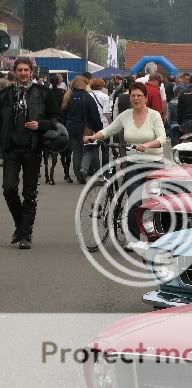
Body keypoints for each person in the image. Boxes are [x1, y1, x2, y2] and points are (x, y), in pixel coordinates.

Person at [83, 82, 166, 245]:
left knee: (154, 202)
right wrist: (93, 137)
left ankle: (155, 237)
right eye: (132, 96)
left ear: (146, 98)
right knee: (134, 200)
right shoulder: (125, 115)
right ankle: (134, 239)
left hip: (154, 163)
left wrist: (147, 145)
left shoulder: (154, 115)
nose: (135, 99)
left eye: (139, 96)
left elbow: (162, 138)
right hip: (133, 163)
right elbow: (109, 130)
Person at [0, 57, 61, 249]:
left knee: (29, 193)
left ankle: (26, 234)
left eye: (26, 70)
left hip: (33, 149)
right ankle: (21, 224)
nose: (23, 73)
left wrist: (40, 124)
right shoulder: (6, 94)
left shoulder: (44, 93)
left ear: (31, 72)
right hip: (11, 149)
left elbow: (56, 119)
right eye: (20, 70)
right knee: (8, 189)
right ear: (15, 72)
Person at [62, 76, 102, 183]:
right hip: (85, 129)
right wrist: (99, 128)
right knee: (89, 150)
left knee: (76, 152)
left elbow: (63, 114)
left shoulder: (68, 96)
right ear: (85, 84)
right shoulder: (88, 97)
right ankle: (83, 170)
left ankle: (78, 175)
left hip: (71, 128)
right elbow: (95, 115)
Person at [43, 74, 70, 184]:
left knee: (49, 149)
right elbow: (66, 107)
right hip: (62, 122)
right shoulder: (63, 93)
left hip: (49, 123)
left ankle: (48, 175)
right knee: (65, 150)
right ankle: (66, 174)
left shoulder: (46, 93)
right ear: (59, 82)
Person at [87, 78, 112, 176]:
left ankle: (93, 169)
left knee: (93, 148)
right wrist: (111, 123)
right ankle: (105, 170)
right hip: (104, 125)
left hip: (91, 125)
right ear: (101, 85)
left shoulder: (88, 95)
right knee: (105, 149)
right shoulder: (105, 96)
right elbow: (106, 112)